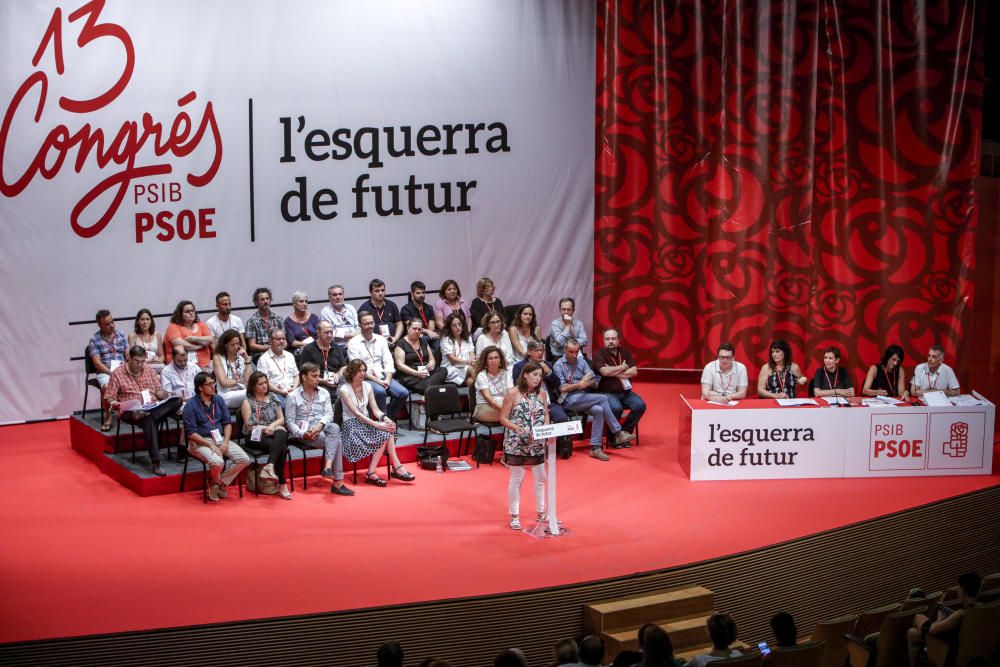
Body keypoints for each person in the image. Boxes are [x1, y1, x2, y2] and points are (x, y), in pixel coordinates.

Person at [106, 346, 182, 475]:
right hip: (131, 411)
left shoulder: (148, 370)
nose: (140, 365)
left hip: (151, 407)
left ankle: (150, 413)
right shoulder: (118, 373)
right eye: (137, 361)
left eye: (142, 361)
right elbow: (110, 398)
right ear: (129, 358)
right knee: (149, 419)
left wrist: (168, 394)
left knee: (176, 401)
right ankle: (156, 462)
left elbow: (158, 391)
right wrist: (117, 404)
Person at [554, 339, 635, 460]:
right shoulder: (558, 365)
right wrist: (578, 384)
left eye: (577, 352)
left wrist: (587, 383)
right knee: (602, 399)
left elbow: (594, 380)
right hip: (568, 399)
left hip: (584, 397)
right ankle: (618, 433)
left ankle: (595, 448)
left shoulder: (581, 362)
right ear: (565, 350)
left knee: (598, 410)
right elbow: (562, 388)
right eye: (571, 352)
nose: (574, 355)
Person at [338, 360, 415, 487]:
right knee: (384, 433)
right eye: (359, 370)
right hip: (351, 425)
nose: (362, 373)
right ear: (351, 372)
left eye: (364, 370)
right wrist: (377, 425)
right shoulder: (344, 389)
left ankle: (383, 469)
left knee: (388, 428)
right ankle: (392, 468)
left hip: (366, 422)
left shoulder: (368, 386)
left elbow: (375, 410)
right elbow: (357, 414)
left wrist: (385, 418)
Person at [285, 363, 353, 496]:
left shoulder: (324, 392)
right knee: (336, 441)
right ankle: (337, 481)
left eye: (318, 376)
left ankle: (328, 467)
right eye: (314, 376)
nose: (318, 379)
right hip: (306, 432)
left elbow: (329, 414)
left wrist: (320, 425)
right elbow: (289, 422)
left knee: (334, 426)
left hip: (322, 426)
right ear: (304, 377)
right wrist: (302, 433)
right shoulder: (292, 396)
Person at [183, 371, 250, 501]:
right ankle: (216, 482)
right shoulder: (190, 406)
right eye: (209, 384)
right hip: (200, 441)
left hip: (219, 438)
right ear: (200, 388)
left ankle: (218, 483)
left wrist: (225, 442)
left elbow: (227, 423)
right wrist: (210, 444)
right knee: (218, 462)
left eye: (213, 383)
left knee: (244, 459)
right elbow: (191, 433)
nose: (213, 386)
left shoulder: (219, 400)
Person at [500, 361, 550, 530]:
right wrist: (515, 427)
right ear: (525, 375)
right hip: (516, 442)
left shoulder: (542, 393)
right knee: (516, 478)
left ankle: (541, 512)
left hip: (536, 442)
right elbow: (503, 418)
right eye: (534, 375)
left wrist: (546, 428)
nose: (537, 378)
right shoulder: (512, 393)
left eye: (540, 376)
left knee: (541, 477)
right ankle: (514, 516)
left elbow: (546, 414)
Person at [907, 572, 981, 666]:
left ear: (962, 590)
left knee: (918, 617)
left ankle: (925, 649)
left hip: (946, 649)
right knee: (912, 632)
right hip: (959, 642)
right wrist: (951, 615)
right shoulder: (981, 608)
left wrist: (940, 618)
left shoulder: (961, 613)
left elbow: (933, 629)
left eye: (958, 588)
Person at [347, 312, 409, 421]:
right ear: (360, 325)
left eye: (372, 323)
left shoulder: (381, 339)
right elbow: (357, 368)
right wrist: (378, 381)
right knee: (380, 392)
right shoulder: (353, 343)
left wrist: (388, 379)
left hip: (383, 375)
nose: (370, 326)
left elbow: (388, 361)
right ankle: (382, 423)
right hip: (365, 378)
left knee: (403, 393)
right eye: (366, 324)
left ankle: (387, 418)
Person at [240, 371, 292, 500]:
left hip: (272, 432)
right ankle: (282, 484)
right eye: (260, 384)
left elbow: (281, 419)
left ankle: (269, 466)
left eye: (265, 383)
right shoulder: (247, 402)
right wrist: (266, 428)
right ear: (253, 387)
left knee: (281, 432)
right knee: (282, 448)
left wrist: (273, 426)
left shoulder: (273, 397)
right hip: (254, 435)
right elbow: (249, 426)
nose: (264, 386)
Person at [593, 328, 646, 438]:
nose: (611, 341)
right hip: (607, 393)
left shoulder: (625, 352)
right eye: (608, 339)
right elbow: (604, 372)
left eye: (613, 338)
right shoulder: (599, 354)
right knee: (617, 408)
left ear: (618, 340)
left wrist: (614, 372)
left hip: (625, 392)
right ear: (603, 340)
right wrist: (623, 367)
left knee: (640, 405)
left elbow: (634, 371)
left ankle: (625, 433)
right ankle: (613, 438)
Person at [88, 309, 129, 431]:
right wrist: (112, 373)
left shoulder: (121, 335)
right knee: (107, 387)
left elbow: (128, 356)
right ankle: (108, 416)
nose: (111, 325)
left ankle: (134, 413)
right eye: (107, 324)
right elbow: (97, 363)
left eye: (112, 322)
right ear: (100, 325)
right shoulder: (94, 340)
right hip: (106, 371)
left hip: (122, 369)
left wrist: (125, 370)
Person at [512, 339, 569, 424]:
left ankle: (560, 438)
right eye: (536, 350)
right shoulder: (519, 366)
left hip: (549, 401)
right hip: (529, 403)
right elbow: (518, 386)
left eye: (541, 350)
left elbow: (557, 384)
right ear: (529, 352)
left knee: (562, 419)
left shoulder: (548, 364)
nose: (540, 353)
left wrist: (549, 372)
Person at [394, 319, 448, 394]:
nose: (417, 331)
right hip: (411, 377)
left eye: (419, 329)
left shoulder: (423, 341)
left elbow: (432, 359)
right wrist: (416, 373)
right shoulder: (401, 343)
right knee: (437, 387)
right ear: (408, 328)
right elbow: (400, 365)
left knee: (443, 370)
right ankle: (431, 390)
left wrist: (432, 363)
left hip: (426, 374)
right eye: (414, 328)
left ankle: (429, 390)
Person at [299, 320, 348, 399]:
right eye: (326, 332)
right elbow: (304, 374)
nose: (329, 335)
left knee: (349, 390)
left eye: (331, 332)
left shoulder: (336, 347)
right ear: (318, 333)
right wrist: (323, 381)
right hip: (318, 383)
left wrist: (338, 374)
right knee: (326, 394)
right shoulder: (308, 349)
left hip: (336, 381)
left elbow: (343, 367)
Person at [163, 300, 214, 368]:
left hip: (203, 366)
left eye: (192, 311)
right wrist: (198, 347)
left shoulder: (201, 324)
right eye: (187, 311)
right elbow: (178, 343)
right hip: (180, 367)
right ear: (180, 314)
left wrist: (193, 339)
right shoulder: (173, 326)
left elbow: (210, 339)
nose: (191, 313)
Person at [256, 328, 299, 406]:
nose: (282, 341)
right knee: (284, 405)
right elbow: (265, 383)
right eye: (278, 339)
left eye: (283, 339)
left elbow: (296, 375)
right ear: (270, 341)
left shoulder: (289, 355)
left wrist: (295, 388)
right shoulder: (263, 359)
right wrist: (281, 392)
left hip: (293, 390)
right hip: (276, 393)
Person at [212, 329, 252, 409]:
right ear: (225, 345)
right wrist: (239, 381)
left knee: (252, 396)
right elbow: (224, 382)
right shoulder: (218, 358)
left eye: (237, 344)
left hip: (242, 392)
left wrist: (247, 359)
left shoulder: (241, 357)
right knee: (254, 393)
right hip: (226, 394)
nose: (236, 347)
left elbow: (248, 381)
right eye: (232, 344)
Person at [473, 346, 513, 422]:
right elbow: (488, 398)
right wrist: (505, 409)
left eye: (496, 357)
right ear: (486, 361)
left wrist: (510, 407)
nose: (494, 360)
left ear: (500, 359)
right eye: (490, 358)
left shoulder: (507, 373)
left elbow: (511, 394)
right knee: (517, 414)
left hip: (504, 404)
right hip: (485, 406)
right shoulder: (481, 375)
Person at [358, 278, 402, 344]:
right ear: (370, 292)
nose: (381, 293)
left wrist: (396, 338)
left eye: (382, 290)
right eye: (377, 291)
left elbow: (399, 324)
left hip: (393, 341)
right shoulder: (364, 308)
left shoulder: (391, 305)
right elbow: (360, 328)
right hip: (374, 343)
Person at [245, 287, 284, 357]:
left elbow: (285, 341)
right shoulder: (251, 321)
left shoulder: (278, 319)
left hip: (278, 353)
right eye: (262, 299)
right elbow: (251, 346)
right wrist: (270, 347)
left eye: (267, 298)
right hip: (260, 356)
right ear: (256, 302)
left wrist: (280, 346)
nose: (266, 301)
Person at [319, 284, 360, 350]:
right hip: (338, 346)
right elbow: (330, 334)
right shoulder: (325, 312)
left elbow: (358, 327)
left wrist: (352, 339)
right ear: (329, 297)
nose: (338, 297)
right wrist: (351, 335)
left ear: (343, 296)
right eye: (335, 295)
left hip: (355, 342)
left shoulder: (351, 308)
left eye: (340, 294)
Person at [400, 280, 439, 348]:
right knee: (423, 340)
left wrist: (429, 333)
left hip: (428, 336)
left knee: (440, 343)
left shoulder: (429, 308)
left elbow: (432, 328)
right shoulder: (406, 309)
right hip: (414, 336)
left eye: (423, 293)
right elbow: (412, 327)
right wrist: (426, 332)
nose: (421, 295)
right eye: (418, 293)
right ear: (412, 294)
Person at [440, 312, 476, 388]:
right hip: (450, 370)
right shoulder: (445, 340)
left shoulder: (468, 337)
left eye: (460, 324)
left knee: (471, 382)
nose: (458, 327)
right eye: (454, 325)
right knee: (471, 369)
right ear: (449, 327)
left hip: (464, 369)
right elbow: (452, 359)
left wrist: (473, 360)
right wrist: (467, 362)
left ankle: (476, 399)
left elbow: (472, 353)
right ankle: (488, 390)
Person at [284, 290, 321, 354]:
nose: (304, 304)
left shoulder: (314, 317)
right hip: (298, 350)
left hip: (316, 348)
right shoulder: (288, 321)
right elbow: (291, 342)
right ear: (294, 304)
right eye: (301, 301)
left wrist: (314, 345)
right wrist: (308, 345)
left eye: (306, 301)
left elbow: (320, 335)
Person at [128, 308, 164, 373]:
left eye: (147, 319)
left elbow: (162, 356)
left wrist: (158, 360)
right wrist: (146, 361)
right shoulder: (132, 336)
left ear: (151, 321)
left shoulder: (157, 334)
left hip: (156, 366)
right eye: (142, 319)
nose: (145, 322)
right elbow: (132, 358)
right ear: (137, 322)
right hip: (140, 366)